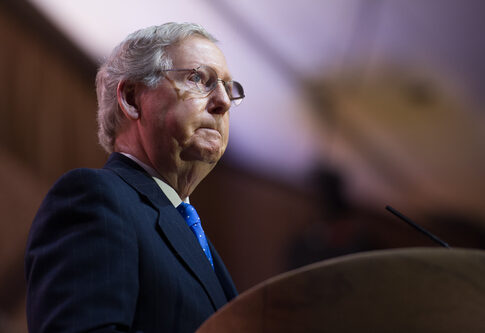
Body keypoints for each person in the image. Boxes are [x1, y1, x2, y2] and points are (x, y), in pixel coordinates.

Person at [25, 22, 244, 333]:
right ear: (131, 97)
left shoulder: (195, 237)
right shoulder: (93, 199)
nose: (222, 102)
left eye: (227, 87)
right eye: (198, 79)